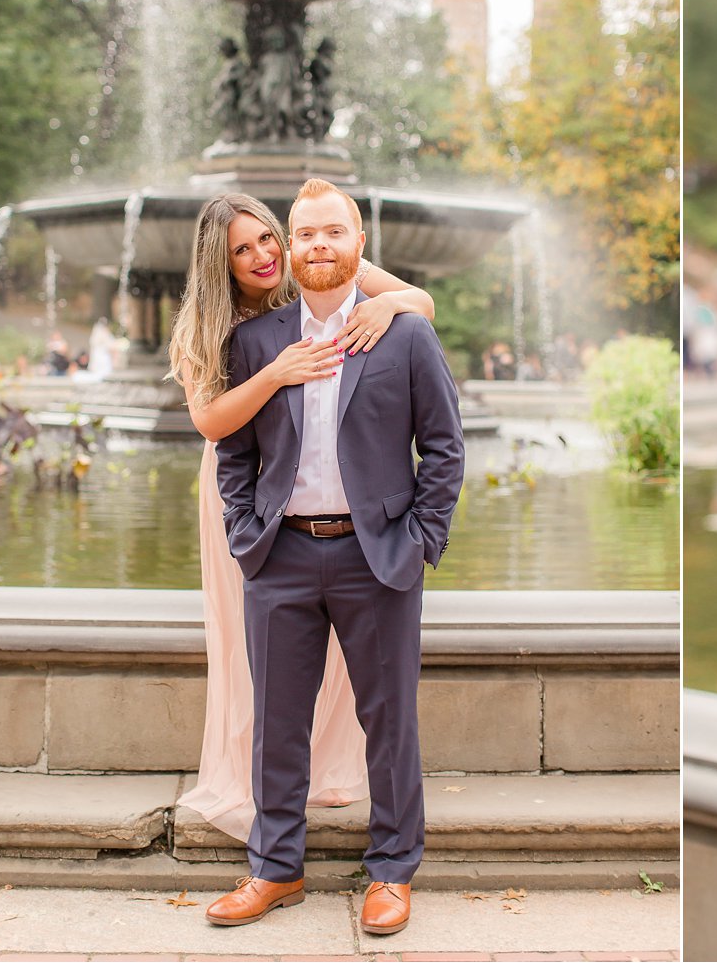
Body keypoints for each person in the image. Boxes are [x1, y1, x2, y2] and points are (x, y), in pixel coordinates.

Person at [207, 178, 463, 935]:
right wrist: (246, 530)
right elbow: (234, 451)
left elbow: (444, 449)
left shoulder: (404, 333)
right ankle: (275, 867)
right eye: (306, 233)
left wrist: (421, 543)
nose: (319, 245)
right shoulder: (256, 341)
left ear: (358, 245)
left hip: (379, 555)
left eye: (333, 232)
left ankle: (391, 870)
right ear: (292, 248)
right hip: (280, 554)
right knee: (277, 721)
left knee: (391, 720)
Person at [166, 191, 436, 851]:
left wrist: (384, 305)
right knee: (256, 661)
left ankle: (341, 783)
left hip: (354, 511)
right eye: (243, 248)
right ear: (219, 262)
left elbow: (422, 305)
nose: (263, 255)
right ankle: (267, 830)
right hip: (261, 491)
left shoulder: (318, 263)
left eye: (267, 239)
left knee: (367, 682)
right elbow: (210, 422)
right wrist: (279, 373)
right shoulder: (212, 325)